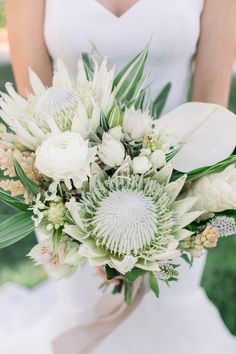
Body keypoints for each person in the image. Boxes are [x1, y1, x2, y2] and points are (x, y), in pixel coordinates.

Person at [1, 0, 236, 353]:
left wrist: (187, 217)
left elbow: (212, 114)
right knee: (84, 312)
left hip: (177, 193)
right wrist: (78, 226)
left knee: (170, 313)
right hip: (66, 190)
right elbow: (34, 110)